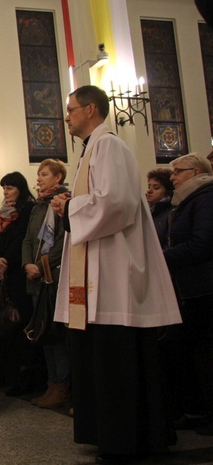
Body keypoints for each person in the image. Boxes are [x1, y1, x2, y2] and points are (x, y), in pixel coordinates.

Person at [51, 85, 181, 463]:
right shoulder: (91, 149)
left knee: (117, 359)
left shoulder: (109, 146)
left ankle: (125, 439)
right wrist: (70, 205)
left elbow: (118, 203)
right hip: (98, 269)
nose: (67, 115)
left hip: (113, 272)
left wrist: (70, 205)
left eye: (72, 109)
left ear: (91, 109)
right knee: (102, 358)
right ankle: (109, 434)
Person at [162, 153, 213, 436]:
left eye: (177, 172)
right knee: (190, 352)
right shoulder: (186, 201)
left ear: (195, 172)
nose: (173, 177)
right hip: (189, 287)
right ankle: (196, 410)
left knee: (206, 352)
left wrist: (162, 257)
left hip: (205, 286)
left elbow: (203, 242)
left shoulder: (205, 197)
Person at [21, 159, 70, 409]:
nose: (39, 179)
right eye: (38, 174)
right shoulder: (38, 207)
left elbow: (62, 241)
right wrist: (26, 264)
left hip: (53, 278)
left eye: (44, 174)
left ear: (58, 178)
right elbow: (28, 239)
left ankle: (62, 386)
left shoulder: (63, 202)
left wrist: (40, 266)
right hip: (36, 279)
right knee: (43, 334)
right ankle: (52, 384)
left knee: (56, 335)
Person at [0, 171, 36, 393]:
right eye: (4, 188)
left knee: (21, 323)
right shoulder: (3, 214)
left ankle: (26, 378)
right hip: (5, 273)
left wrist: (7, 260)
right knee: (8, 326)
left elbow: (24, 239)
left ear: (20, 188)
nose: (6, 192)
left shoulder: (28, 209)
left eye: (9, 187)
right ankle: (12, 376)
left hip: (19, 272)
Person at [146, 168, 174, 246]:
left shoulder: (172, 213)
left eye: (156, 188)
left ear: (168, 192)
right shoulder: (148, 210)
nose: (149, 191)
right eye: (149, 186)